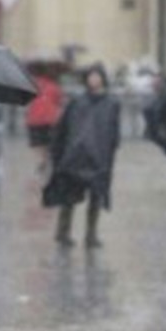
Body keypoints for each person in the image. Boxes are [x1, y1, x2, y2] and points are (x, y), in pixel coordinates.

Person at [44, 63, 120, 248]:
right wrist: (60, 150)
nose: (94, 80)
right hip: (76, 156)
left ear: (103, 78)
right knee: (69, 196)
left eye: (97, 76)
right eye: (91, 76)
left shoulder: (111, 104)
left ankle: (91, 235)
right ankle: (63, 233)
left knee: (95, 197)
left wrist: (109, 152)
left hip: (98, 157)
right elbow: (64, 128)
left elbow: (113, 131)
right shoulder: (77, 102)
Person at [25, 71, 64, 176]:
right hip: (49, 121)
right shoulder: (55, 86)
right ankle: (44, 163)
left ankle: (40, 164)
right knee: (48, 146)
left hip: (34, 121)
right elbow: (60, 102)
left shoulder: (32, 84)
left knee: (38, 146)